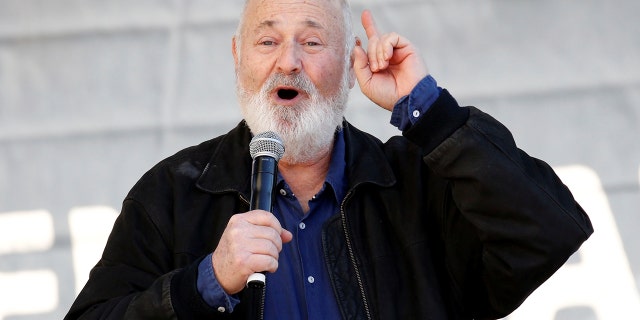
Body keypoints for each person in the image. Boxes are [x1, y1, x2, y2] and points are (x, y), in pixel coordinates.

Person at [65, 0, 593, 319]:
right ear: (237, 57)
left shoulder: (417, 183)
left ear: (348, 64)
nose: (287, 62)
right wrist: (204, 283)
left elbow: (548, 232)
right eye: (267, 40)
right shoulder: (173, 196)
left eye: (312, 41)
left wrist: (430, 114)